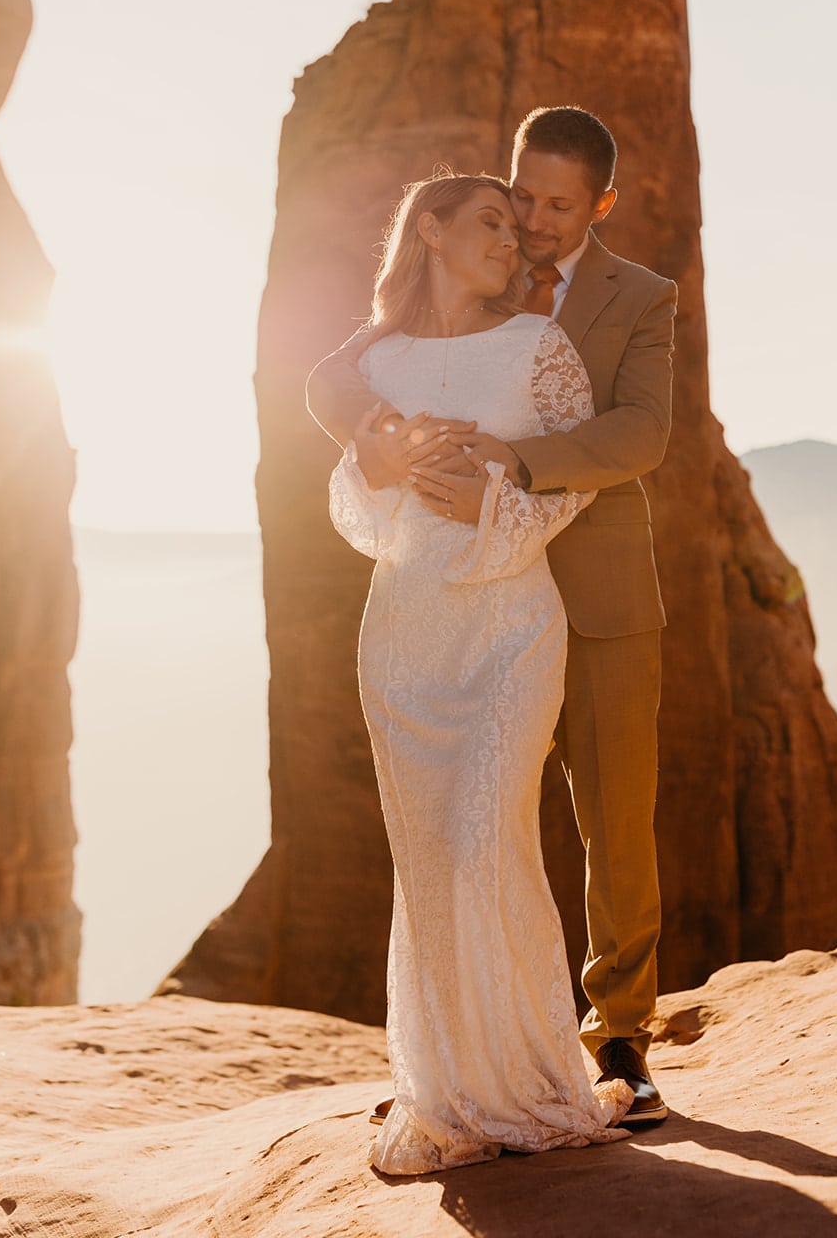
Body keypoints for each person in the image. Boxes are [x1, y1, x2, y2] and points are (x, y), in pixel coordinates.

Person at [308, 106, 675, 1129]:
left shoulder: (638, 299)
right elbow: (334, 378)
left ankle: (618, 1039)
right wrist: (383, 437)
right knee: (455, 838)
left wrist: (507, 472)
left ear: (599, 203)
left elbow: (640, 432)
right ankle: (456, 1059)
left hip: (580, 593)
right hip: (429, 610)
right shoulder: (418, 317)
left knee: (611, 819)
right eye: (521, 197)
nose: (533, 220)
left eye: (558, 205)